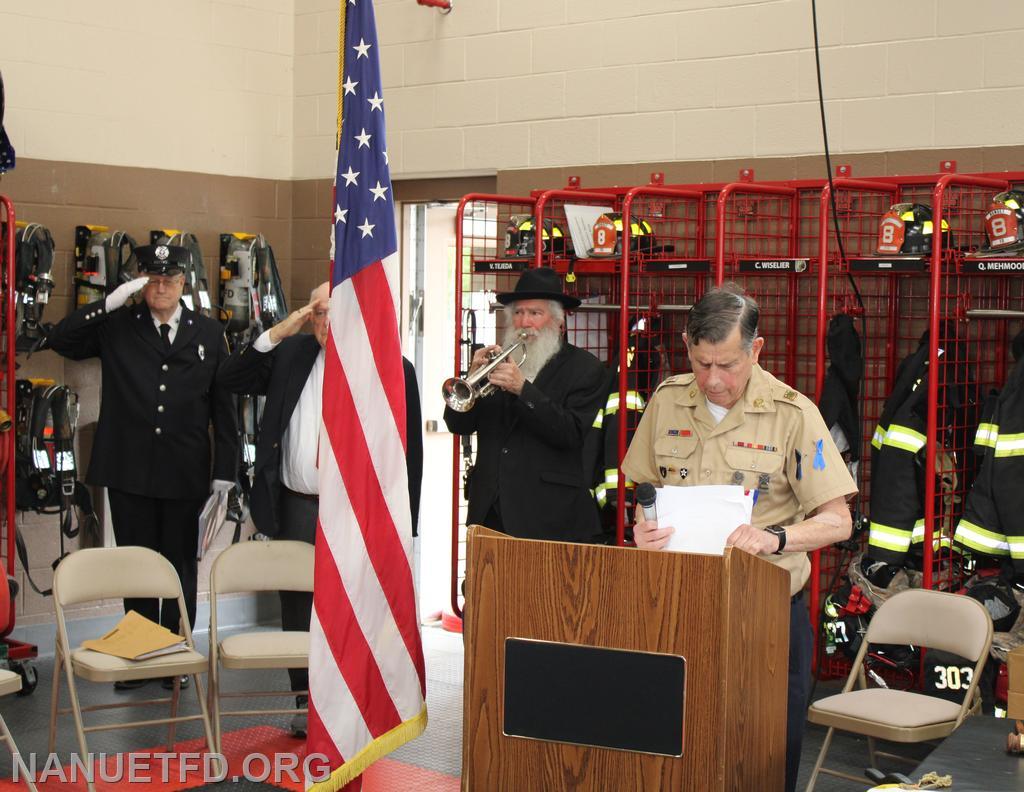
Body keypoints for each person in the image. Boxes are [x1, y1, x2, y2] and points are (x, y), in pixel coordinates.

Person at [621, 284, 857, 792]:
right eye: (701, 363)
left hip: (764, 615)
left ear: (756, 349)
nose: (712, 379)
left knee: (764, 754)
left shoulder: (793, 414)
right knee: (675, 747)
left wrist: (774, 537)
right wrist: (641, 530)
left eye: (726, 365)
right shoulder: (666, 402)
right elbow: (642, 495)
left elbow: (840, 521)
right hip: (679, 608)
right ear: (687, 346)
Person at [217, 281, 423, 737]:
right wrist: (282, 329)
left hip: (358, 512)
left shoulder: (391, 368)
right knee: (299, 606)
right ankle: (304, 702)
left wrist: (406, 526)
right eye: (319, 313)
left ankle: (352, 704)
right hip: (299, 505)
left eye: (335, 312)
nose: (327, 323)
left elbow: (411, 456)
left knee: (354, 608)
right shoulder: (291, 357)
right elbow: (230, 378)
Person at [47, 244, 237, 691]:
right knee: (136, 563)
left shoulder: (209, 333)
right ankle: (138, 650)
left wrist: (224, 469)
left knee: (177, 566)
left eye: (169, 280)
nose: (161, 288)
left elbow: (223, 406)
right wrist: (111, 300)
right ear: (141, 285)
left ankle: (174, 654)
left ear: (184, 284)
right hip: (129, 467)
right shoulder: (118, 326)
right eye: (152, 280)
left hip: (185, 470)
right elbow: (62, 340)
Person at [444, 267, 607, 542]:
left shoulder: (585, 368)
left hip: (549, 518)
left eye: (535, 313)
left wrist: (523, 390)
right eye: (518, 313)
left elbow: (570, 433)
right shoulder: (494, 365)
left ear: (558, 322)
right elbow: (458, 424)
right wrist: (471, 377)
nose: (525, 322)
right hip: (490, 515)